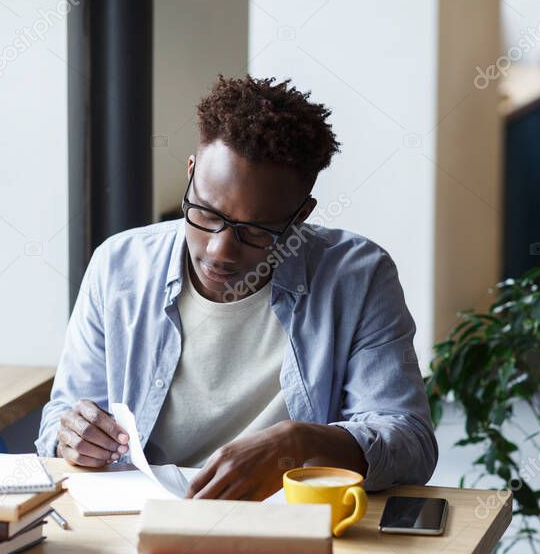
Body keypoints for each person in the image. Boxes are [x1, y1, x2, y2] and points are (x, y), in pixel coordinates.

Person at [35, 75, 437, 500]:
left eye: (257, 230)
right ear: (191, 172)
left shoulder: (357, 277)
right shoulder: (119, 267)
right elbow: (61, 422)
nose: (220, 250)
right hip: (140, 514)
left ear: (301, 215)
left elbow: (410, 444)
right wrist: (73, 436)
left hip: (286, 521)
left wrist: (300, 442)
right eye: (206, 213)